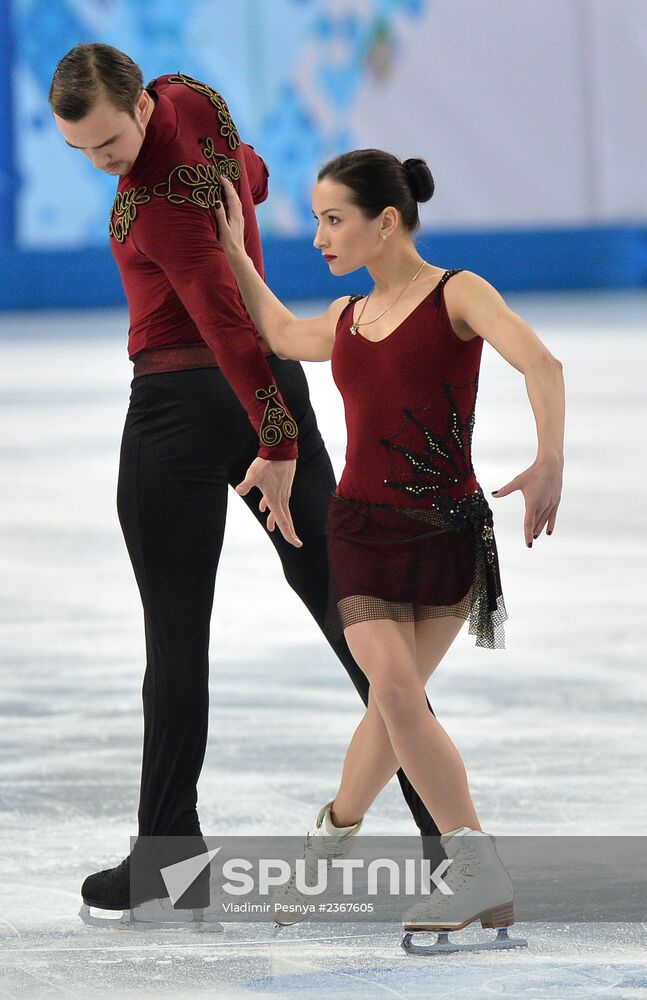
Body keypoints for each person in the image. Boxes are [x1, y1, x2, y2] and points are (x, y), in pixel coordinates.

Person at [48, 44, 448, 919]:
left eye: (108, 142)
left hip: (185, 414)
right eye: (80, 151)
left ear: (140, 108)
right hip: (271, 390)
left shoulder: (155, 206)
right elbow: (256, 174)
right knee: (357, 618)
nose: (101, 162)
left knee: (177, 643)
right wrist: (280, 425)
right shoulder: (192, 98)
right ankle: (443, 838)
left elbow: (226, 325)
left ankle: (165, 860)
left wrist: (277, 441)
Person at [214, 150, 565, 941]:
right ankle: (474, 868)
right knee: (399, 696)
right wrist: (234, 251)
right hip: (361, 531)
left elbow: (540, 361)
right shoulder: (345, 318)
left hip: (446, 530)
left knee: (391, 702)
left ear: (387, 222)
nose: (318, 237)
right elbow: (273, 329)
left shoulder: (457, 293)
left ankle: (330, 839)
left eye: (332, 219)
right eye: (314, 220)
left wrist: (549, 458)